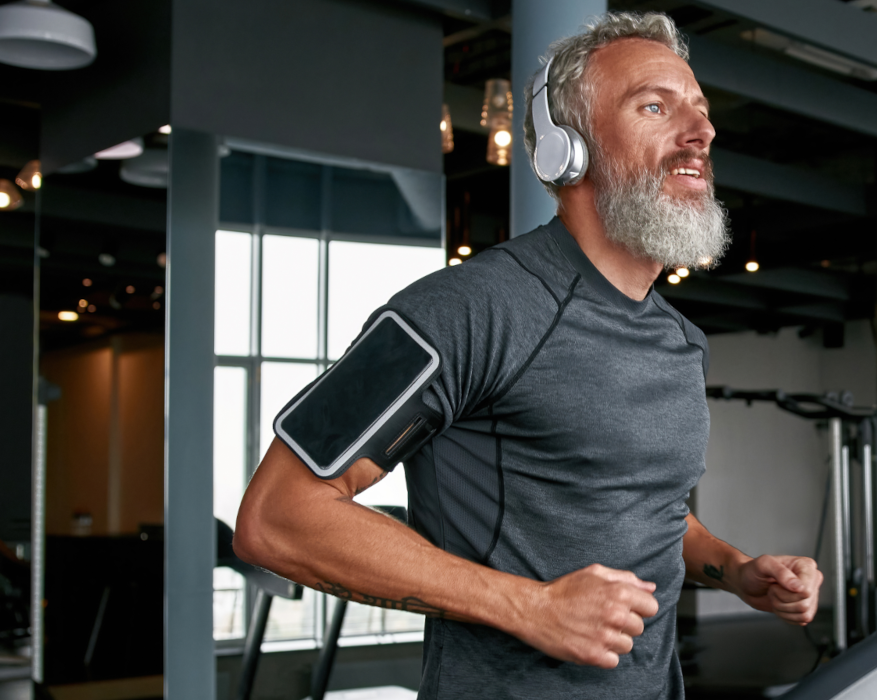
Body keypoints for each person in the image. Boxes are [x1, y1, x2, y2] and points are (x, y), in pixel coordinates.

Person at [235, 12, 822, 699]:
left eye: (700, 111)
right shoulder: (464, 310)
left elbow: (648, 508)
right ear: (565, 151)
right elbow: (278, 516)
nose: (699, 131)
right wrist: (528, 606)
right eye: (656, 106)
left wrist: (735, 568)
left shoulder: (681, 340)